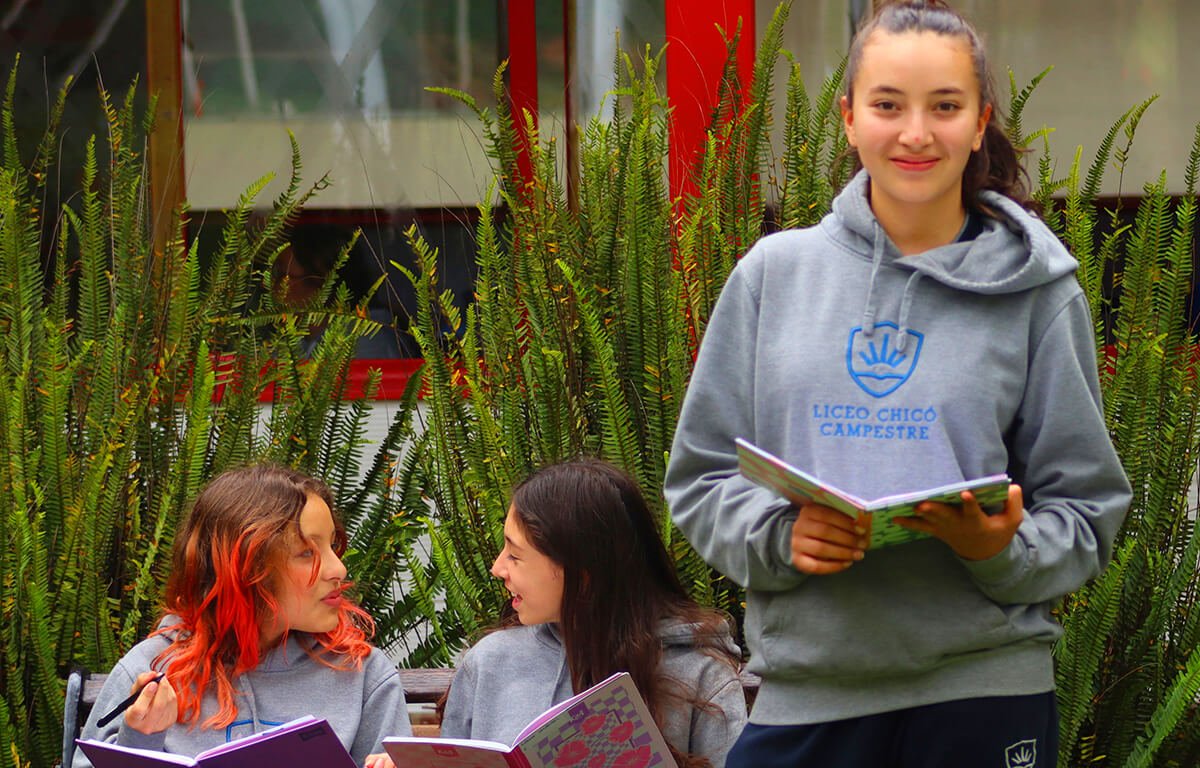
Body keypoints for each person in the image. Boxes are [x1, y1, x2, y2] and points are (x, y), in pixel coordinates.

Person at [663, 2, 1131, 767]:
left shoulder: (1041, 294)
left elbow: (1088, 507)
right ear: (848, 118)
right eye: (888, 105)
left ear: (980, 122)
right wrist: (781, 535)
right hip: (807, 694)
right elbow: (700, 478)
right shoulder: (771, 278)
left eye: (945, 107)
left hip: (984, 693)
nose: (916, 133)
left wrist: (998, 549)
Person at [73, 464, 410, 768]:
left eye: (332, 547)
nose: (339, 568)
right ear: (246, 570)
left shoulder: (363, 675)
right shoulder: (151, 670)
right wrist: (140, 739)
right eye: (307, 552)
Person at [440, 458, 748, 768]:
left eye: (516, 555)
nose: (497, 569)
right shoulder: (488, 663)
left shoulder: (700, 674)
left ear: (582, 574)